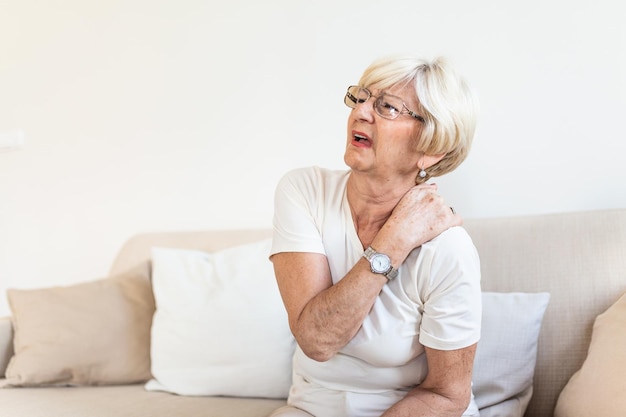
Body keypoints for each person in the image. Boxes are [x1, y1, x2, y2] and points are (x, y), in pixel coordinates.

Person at [269, 55, 481, 417]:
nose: (361, 112)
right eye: (362, 97)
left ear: (431, 150)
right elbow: (316, 341)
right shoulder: (305, 191)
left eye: (388, 107)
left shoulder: (448, 248)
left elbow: (448, 396)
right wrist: (395, 239)